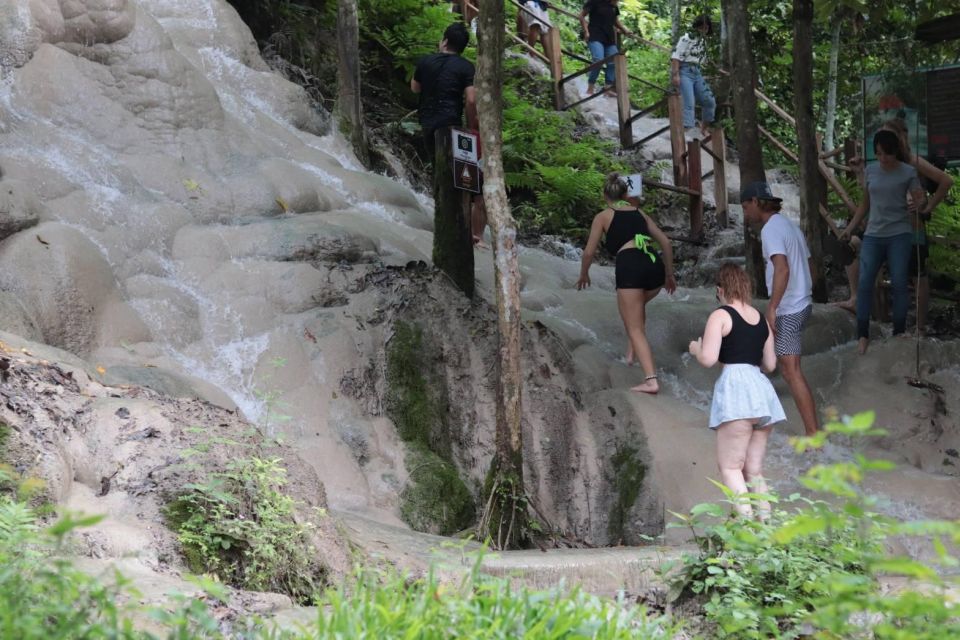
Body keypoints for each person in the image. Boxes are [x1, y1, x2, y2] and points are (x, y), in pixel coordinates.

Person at [689, 263, 783, 519]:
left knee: (730, 468)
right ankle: (766, 529)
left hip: (737, 394)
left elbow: (708, 359)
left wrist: (696, 350)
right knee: (753, 470)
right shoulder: (761, 319)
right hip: (762, 394)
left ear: (721, 289)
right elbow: (771, 365)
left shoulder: (720, 315)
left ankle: (747, 532)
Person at [842, 120, 954, 331]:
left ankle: (919, 327)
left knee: (917, 275)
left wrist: (927, 207)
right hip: (883, 229)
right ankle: (864, 306)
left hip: (910, 228)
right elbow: (871, 195)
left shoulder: (912, 162)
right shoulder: (879, 164)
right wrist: (859, 172)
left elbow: (946, 181)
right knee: (859, 250)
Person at [576, 172, 676, 394]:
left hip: (630, 266)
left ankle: (651, 380)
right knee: (633, 308)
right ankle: (631, 353)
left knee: (633, 325)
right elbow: (666, 243)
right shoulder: (639, 212)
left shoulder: (603, 216)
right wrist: (669, 275)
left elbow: (589, 252)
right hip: (654, 267)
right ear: (625, 194)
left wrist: (584, 274)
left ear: (605, 196)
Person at [741, 181, 819, 436]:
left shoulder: (770, 229)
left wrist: (773, 307)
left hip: (790, 308)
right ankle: (753, 413)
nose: (745, 213)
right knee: (763, 355)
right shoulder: (789, 225)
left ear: (755, 202)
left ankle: (813, 434)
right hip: (801, 302)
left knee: (791, 369)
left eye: (745, 207)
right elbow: (810, 265)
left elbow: (782, 268)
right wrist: (806, 290)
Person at [841, 130, 927, 354]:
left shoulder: (908, 172)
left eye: (886, 154)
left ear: (895, 151)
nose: (882, 159)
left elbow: (920, 199)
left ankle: (898, 331)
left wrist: (921, 201)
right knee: (865, 281)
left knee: (899, 281)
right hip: (873, 233)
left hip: (900, 233)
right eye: (878, 154)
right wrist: (850, 229)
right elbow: (865, 204)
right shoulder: (870, 171)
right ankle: (862, 335)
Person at [411, 23, 487, 245]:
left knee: (440, 173)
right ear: (462, 47)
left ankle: (445, 224)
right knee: (466, 178)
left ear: (444, 41)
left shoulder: (425, 61)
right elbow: (471, 99)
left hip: (428, 124)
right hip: (453, 126)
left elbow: (415, 88)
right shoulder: (466, 67)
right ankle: (465, 230)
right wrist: (472, 122)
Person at [670, 15, 716, 137]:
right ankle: (682, 134)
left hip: (697, 72)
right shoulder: (686, 38)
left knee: (709, 101)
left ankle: (704, 129)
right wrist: (675, 75)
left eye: (706, 28)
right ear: (696, 27)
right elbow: (675, 56)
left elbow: (703, 59)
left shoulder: (704, 41)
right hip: (684, 71)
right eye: (701, 28)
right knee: (688, 103)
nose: (703, 30)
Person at [579, 0, 634, 97]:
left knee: (614, 61)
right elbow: (581, 16)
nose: (617, 2)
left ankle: (607, 88)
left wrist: (625, 30)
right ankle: (590, 87)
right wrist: (586, 31)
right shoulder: (594, 2)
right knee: (598, 60)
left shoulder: (614, 6)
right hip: (595, 35)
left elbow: (615, 20)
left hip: (609, 37)